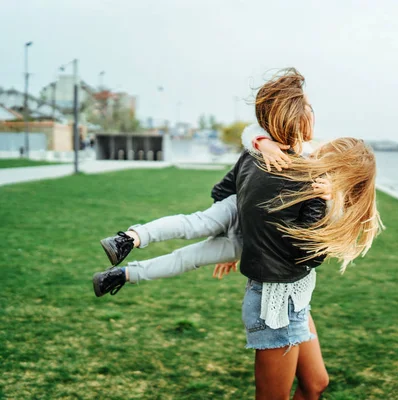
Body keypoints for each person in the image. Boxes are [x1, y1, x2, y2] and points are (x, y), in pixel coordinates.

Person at [93, 68, 383, 399]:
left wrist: (318, 197)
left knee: (316, 384)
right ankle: (128, 254)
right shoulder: (291, 174)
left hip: (296, 298)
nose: (315, 148)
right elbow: (305, 255)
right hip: (276, 303)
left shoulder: (309, 182)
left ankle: (126, 260)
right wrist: (269, 152)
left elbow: (252, 149)